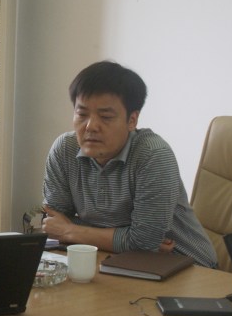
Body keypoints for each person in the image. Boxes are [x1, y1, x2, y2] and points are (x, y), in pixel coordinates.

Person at [41, 61, 217, 268]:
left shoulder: (153, 155)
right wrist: (128, 241)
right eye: (82, 114)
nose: (91, 126)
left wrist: (71, 230)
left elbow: (143, 243)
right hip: (113, 260)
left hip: (187, 267)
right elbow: (53, 223)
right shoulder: (65, 149)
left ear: (132, 120)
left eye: (105, 117)